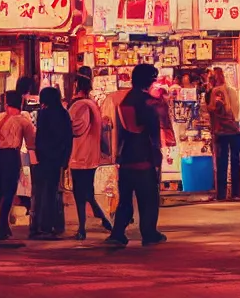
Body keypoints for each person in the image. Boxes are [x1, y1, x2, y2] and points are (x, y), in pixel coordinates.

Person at [106, 64, 166, 247]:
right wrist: (157, 155)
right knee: (148, 198)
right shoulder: (149, 102)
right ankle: (149, 233)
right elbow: (153, 133)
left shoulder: (124, 100)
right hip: (144, 156)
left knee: (125, 199)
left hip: (126, 156)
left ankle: (117, 233)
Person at [68, 75, 113, 240]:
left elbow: (75, 128)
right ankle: (103, 220)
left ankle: (82, 228)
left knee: (80, 192)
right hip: (92, 154)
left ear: (76, 86)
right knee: (87, 191)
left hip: (79, 154)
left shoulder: (79, 106)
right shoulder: (93, 105)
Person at [0, 91, 36, 240]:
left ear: (6, 104)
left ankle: (4, 226)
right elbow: (31, 144)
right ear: (21, 104)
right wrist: (35, 163)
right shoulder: (24, 121)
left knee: (2, 191)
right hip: (11, 156)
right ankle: (1, 226)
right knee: (9, 191)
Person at [30, 87, 72, 240]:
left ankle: (40, 225)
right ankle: (55, 224)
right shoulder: (63, 114)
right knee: (54, 192)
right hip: (57, 158)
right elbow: (68, 138)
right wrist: (65, 159)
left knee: (41, 192)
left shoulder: (43, 114)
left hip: (44, 159)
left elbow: (40, 138)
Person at [208, 68, 240, 201]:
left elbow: (213, 108)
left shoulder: (215, 92)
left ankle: (221, 194)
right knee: (235, 162)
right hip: (234, 130)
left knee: (222, 163)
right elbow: (236, 110)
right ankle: (236, 193)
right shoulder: (232, 90)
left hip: (222, 131)